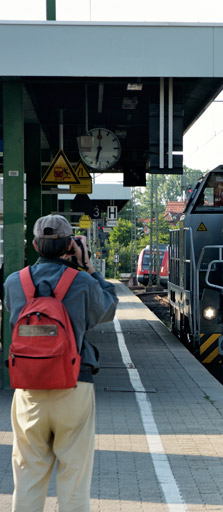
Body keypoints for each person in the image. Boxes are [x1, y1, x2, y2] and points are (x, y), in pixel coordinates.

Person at [4, 214, 118, 512]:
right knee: (74, 479)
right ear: (71, 245)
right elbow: (107, 311)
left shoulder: (15, 283)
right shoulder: (80, 281)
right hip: (74, 385)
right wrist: (89, 268)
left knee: (27, 478)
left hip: (29, 390)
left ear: (33, 245)